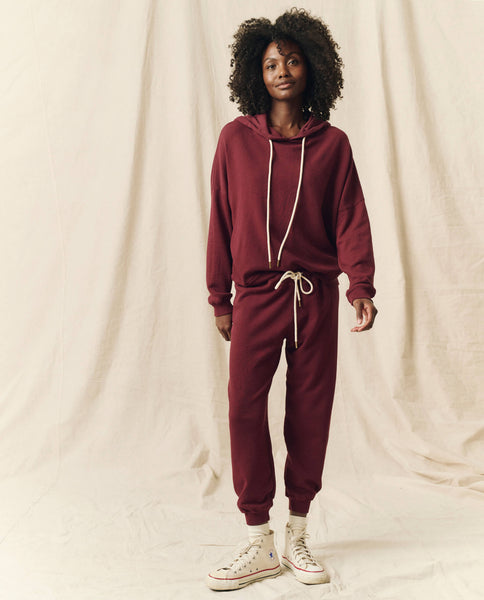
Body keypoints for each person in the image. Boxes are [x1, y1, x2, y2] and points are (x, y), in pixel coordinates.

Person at [205, 7, 378, 591]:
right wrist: (219, 296)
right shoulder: (234, 140)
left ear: (313, 68)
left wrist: (360, 285)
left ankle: (298, 533)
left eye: (294, 61)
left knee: (309, 412)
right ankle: (258, 539)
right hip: (256, 296)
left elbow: (350, 217)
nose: (283, 71)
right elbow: (221, 219)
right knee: (243, 409)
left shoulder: (333, 145)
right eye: (271, 63)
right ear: (256, 74)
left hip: (315, 298)